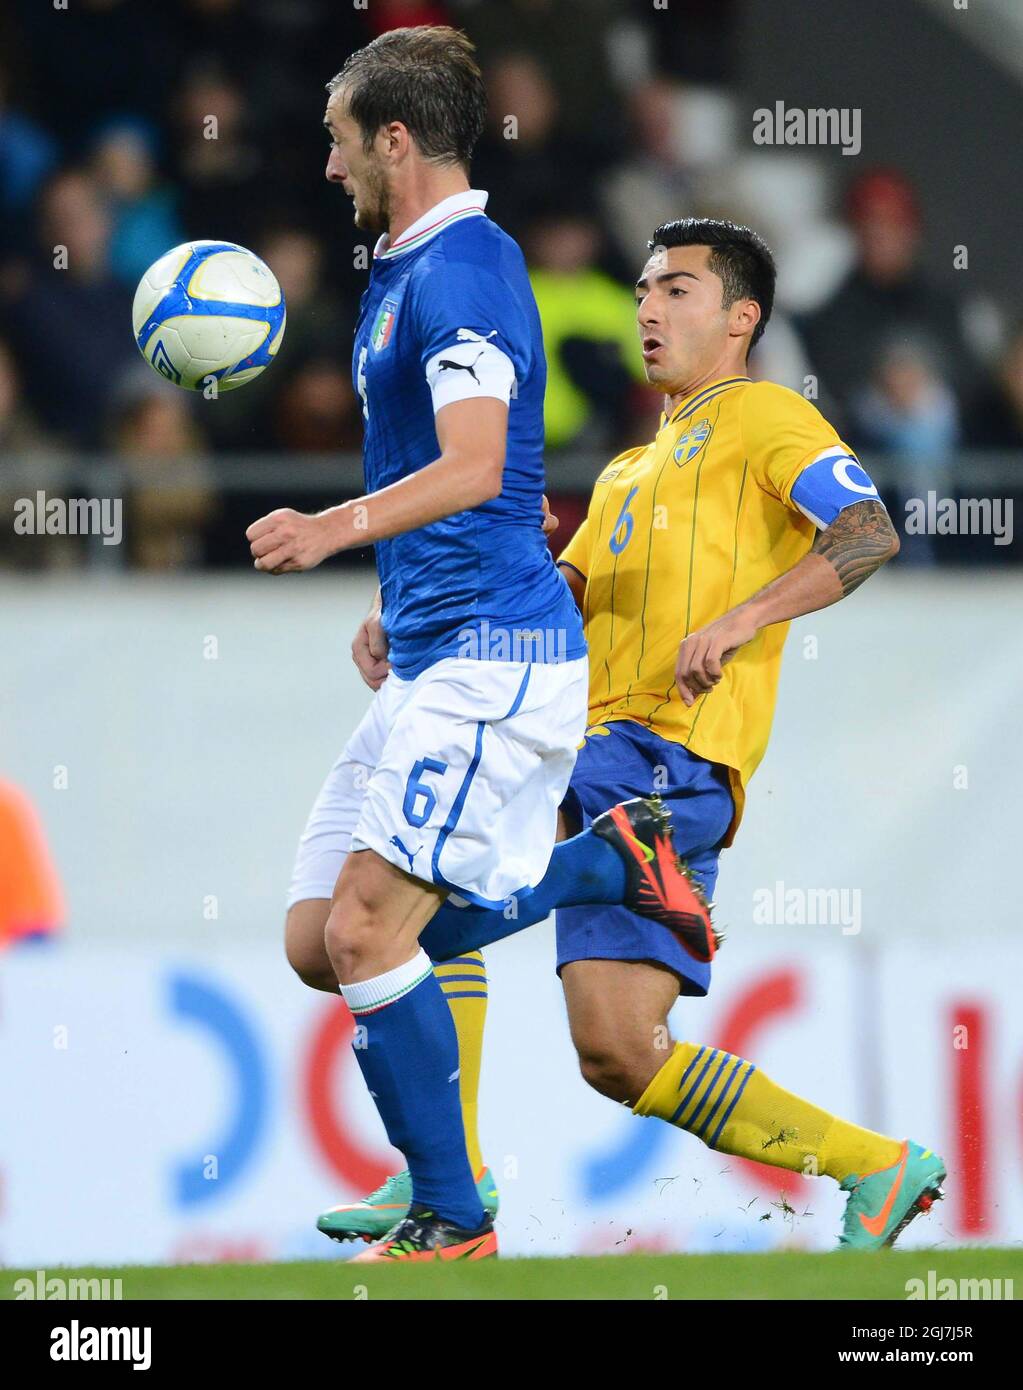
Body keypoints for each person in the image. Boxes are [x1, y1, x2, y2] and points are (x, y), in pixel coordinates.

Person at [321, 218, 946, 1255]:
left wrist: (746, 616)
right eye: (646, 289)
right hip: (615, 763)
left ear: (743, 318)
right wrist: (424, 630)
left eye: (681, 290)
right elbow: (547, 605)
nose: (649, 308)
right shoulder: (623, 474)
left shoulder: (766, 416)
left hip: (663, 751)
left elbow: (869, 527)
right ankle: (878, 1167)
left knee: (406, 911)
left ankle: (449, 1181)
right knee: (622, 1052)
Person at [249, 27, 710, 1264]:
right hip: (440, 637)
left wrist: (335, 529)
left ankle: (453, 1215)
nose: (329, 157)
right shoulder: (405, 263)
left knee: (365, 932)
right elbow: (448, 477)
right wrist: (397, 596)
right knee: (319, 942)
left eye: (343, 136)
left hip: (500, 654)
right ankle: (601, 866)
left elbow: (471, 463)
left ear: (393, 139)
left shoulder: (462, 270)